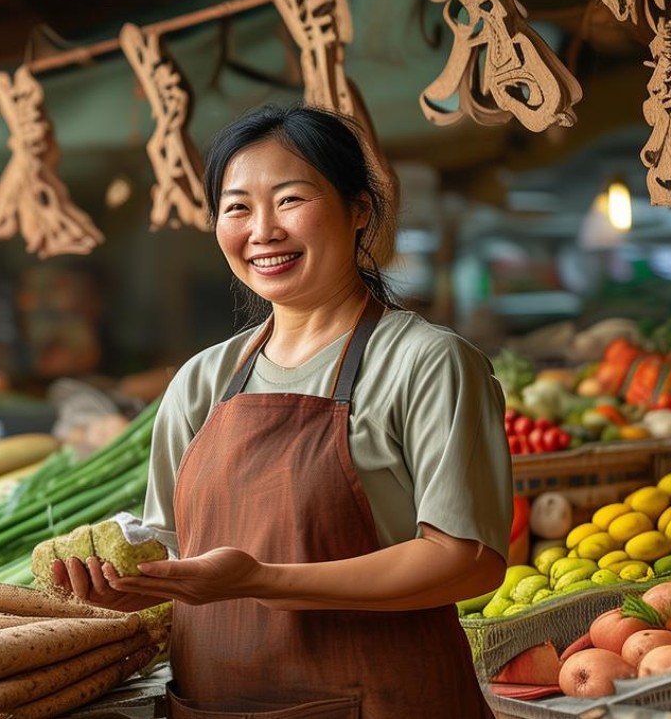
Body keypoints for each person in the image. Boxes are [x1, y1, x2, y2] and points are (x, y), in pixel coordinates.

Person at [52, 104, 509, 719]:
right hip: (212, 706)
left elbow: (465, 562)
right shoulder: (201, 381)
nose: (261, 231)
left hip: (382, 702)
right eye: (237, 207)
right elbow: (168, 550)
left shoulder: (427, 363)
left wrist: (260, 580)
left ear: (360, 210)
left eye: (290, 200)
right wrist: (124, 585)